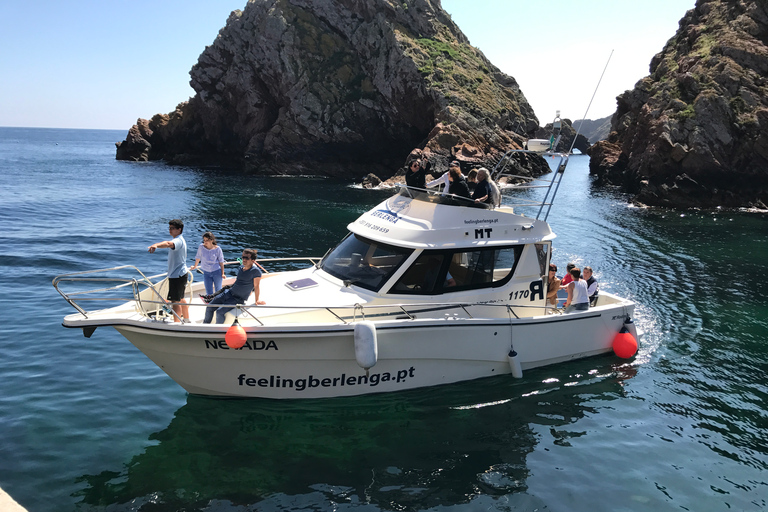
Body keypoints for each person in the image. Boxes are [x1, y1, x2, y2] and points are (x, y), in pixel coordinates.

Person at [203, 248, 266, 324]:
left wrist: (257, 300)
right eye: (243, 257)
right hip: (229, 293)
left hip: (238, 299)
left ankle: (218, 330)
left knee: (220, 312)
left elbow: (256, 286)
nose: (244, 260)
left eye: (247, 258)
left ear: (253, 260)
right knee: (209, 307)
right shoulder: (240, 268)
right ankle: (205, 326)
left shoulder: (255, 271)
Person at [148, 219, 190, 322]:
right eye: (169, 228)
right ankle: (187, 319)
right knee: (180, 298)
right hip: (181, 274)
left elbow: (168, 243)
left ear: (179, 229)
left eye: (172, 228)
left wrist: (156, 245)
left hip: (177, 275)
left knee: (175, 301)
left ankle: (177, 323)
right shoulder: (180, 240)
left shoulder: (178, 241)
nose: (170, 231)